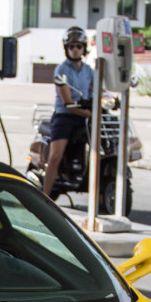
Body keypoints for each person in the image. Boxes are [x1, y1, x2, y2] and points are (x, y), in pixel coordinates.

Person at [42, 26, 95, 199]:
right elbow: (67, 101)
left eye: (78, 46)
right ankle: (45, 197)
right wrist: (86, 113)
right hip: (66, 116)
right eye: (71, 47)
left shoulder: (89, 71)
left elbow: (98, 91)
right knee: (56, 155)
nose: (75, 50)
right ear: (66, 49)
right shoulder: (61, 70)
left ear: (84, 48)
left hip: (85, 116)